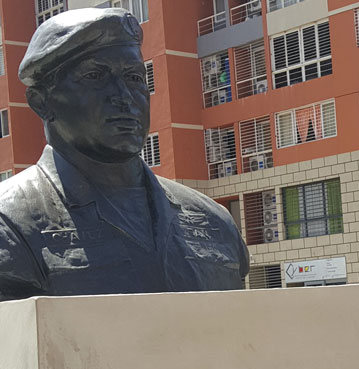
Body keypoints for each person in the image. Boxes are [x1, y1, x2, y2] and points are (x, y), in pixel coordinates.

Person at [0, 8, 248, 300]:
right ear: (42, 102)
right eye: (94, 76)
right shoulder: (9, 220)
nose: (124, 96)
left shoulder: (215, 221)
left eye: (134, 77)